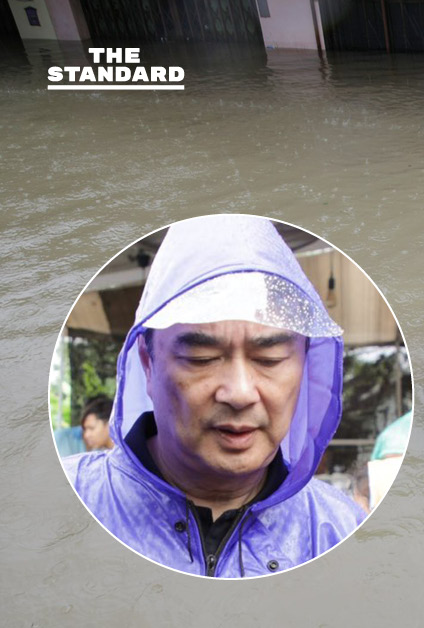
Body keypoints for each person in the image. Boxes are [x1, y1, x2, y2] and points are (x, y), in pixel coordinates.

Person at [62, 214, 364, 578]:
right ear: (148, 362)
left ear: (304, 365)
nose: (239, 393)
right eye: (201, 358)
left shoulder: (339, 530)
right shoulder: (62, 502)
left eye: (269, 359)